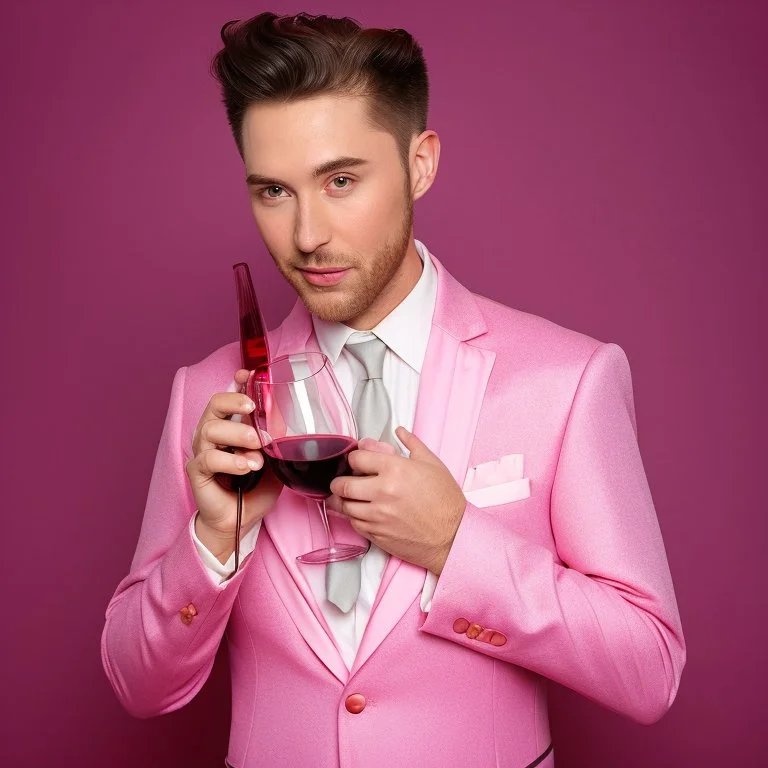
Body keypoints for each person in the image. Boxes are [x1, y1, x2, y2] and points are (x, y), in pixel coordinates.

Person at [101, 12, 685, 768]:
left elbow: (651, 671)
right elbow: (136, 686)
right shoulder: (206, 396)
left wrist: (455, 543)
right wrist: (215, 541)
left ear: (420, 164)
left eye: (341, 180)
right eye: (274, 191)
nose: (307, 234)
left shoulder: (567, 380)